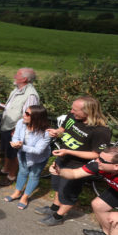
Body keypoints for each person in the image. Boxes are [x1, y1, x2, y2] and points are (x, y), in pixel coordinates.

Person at [36, 96, 111, 226]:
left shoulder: (101, 131)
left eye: (75, 109)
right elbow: (63, 129)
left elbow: (96, 154)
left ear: (88, 111)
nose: (71, 111)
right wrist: (56, 132)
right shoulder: (72, 116)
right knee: (58, 186)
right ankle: (54, 208)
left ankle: (58, 216)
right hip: (62, 158)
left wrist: (69, 152)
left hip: (77, 167)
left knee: (69, 192)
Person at [49, 146, 118, 235]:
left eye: (102, 161)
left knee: (116, 220)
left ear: (116, 166)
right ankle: (108, 234)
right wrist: (60, 171)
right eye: (98, 158)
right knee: (97, 204)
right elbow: (75, 173)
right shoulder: (99, 164)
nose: (97, 162)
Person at [0, 68, 40, 186]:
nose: (15, 76)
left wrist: (18, 130)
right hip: (8, 125)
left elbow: (29, 114)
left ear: (24, 79)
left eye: (18, 74)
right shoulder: (17, 90)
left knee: (14, 154)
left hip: (16, 129)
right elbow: (13, 108)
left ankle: (11, 176)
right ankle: (5, 170)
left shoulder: (30, 95)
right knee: (7, 151)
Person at [3, 105, 51, 209]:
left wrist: (21, 146)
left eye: (27, 114)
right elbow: (15, 136)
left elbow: (38, 151)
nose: (24, 115)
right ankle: (17, 193)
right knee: (22, 172)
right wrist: (15, 142)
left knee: (34, 175)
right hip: (23, 153)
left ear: (36, 117)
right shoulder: (21, 123)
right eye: (25, 112)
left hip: (38, 158)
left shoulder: (46, 133)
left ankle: (25, 197)